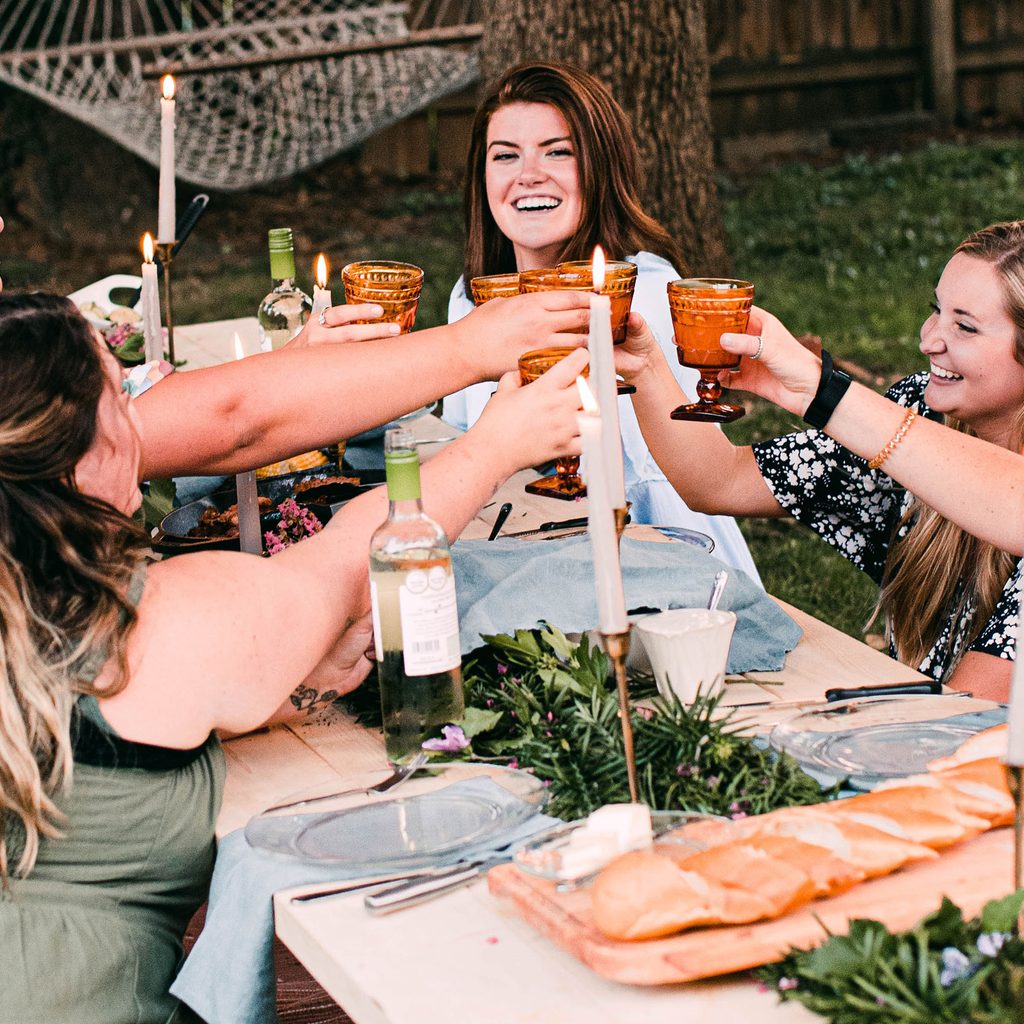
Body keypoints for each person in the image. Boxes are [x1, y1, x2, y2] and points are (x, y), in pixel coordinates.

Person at [0, 291, 587, 1023]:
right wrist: (498, 444)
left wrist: (284, 684)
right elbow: (350, 562)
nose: (143, 418)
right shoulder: (150, 623)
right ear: (84, 447)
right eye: (123, 395)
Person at [618, 221, 1024, 701]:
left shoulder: (903, 430)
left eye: (966, 326)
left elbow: (966, 718)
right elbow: (718, 481)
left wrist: (822, 392)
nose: (929, 340)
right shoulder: (924, 414)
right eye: (936, 310)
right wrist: (640, 360)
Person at [439, 61, 761, 584]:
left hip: (650, 564)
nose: (528, 175)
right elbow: (457, 441)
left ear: (601, 167)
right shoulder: (472, 299)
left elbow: (662, 487)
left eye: (558, 151)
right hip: (510, 545)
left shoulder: (643, 295)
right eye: (505, 156)